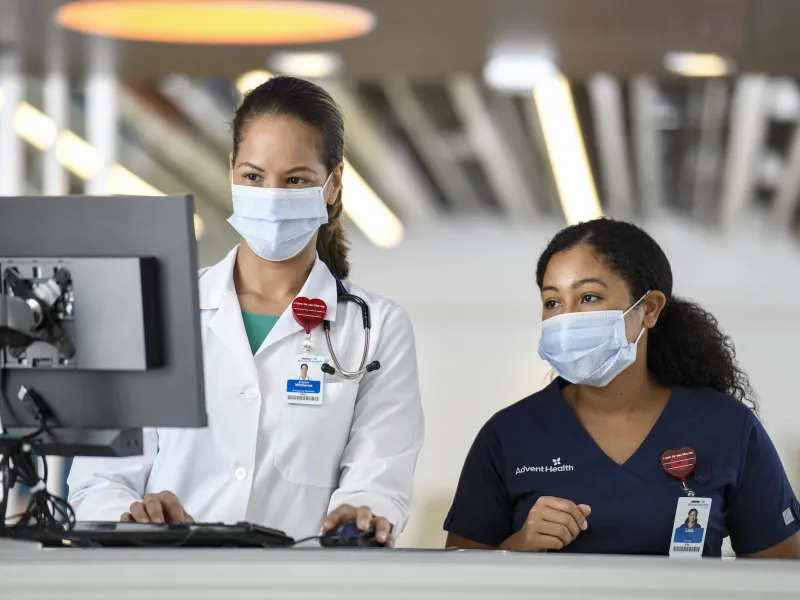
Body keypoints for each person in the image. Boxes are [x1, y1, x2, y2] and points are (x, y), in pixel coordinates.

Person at [67, 76, 424, 546]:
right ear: (232, 170)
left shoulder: (375, 329)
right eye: (254, 177)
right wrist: (134, 519)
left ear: (333, 183)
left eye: (296, 180)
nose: (272, 196)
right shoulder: (159, 311)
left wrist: (359, 519)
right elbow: (99, 481)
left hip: (299, 585)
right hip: (166, 581)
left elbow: (377, 482)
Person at [444, 218, 800, 558]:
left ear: (648, 308)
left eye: (588, 297)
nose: (566, 318)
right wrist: (519, 546)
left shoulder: (727, 428)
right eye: (553, 302)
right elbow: (454, 581)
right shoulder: (507, 435)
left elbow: (781, 574)